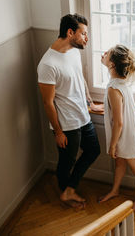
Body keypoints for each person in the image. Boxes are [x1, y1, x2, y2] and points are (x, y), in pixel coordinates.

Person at [37, 14, 103, 208]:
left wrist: (90, 102)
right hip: (66, 124)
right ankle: (66, 192)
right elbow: (48, 102)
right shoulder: (48, 65)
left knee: (93, 150)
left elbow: (79, 77)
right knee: (67, 162)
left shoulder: (74, 50)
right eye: (84, 34)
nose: (87, 38)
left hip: (83, 115)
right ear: (70, 32)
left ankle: (69, 189)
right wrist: (58, 131)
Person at [99, 44, 135, 211]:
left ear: (112, 64)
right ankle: (115, 190)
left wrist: (112, 145)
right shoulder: (120, 80)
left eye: (108, 53)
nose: (103, 53)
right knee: (119, 164)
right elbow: (118, 107)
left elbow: (119, 122)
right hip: (124, 132)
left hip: (128, 134)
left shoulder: (114, 88)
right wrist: (102, 107)